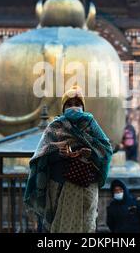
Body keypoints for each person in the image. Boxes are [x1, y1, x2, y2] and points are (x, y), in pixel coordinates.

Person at [24, 85, 113, 233]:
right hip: (59, 186)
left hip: (86, 187)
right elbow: (41, 157)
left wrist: (90, 154)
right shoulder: (55, 127)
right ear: (63, 107)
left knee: (86, 226)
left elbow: (106, 151)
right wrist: (59, 154)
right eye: (69, 104)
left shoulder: (91, 125)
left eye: (77, 104)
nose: (74, 107)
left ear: (83, 107)